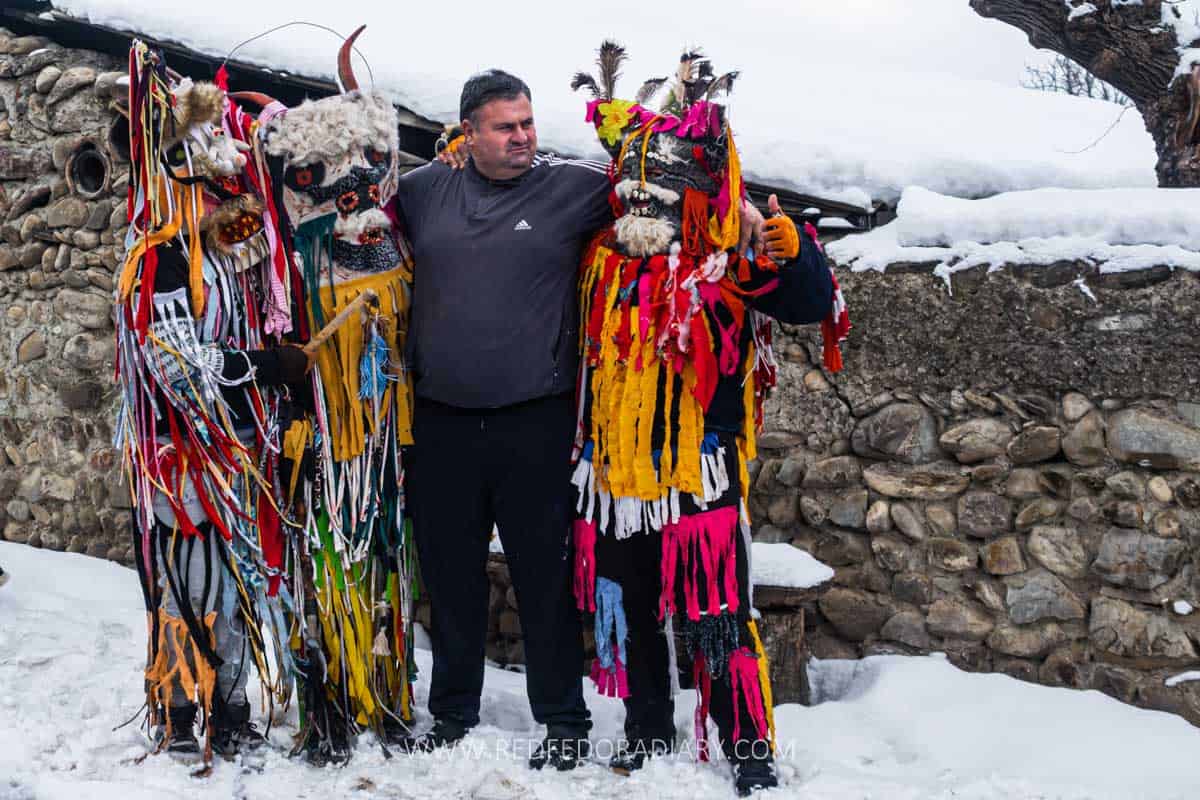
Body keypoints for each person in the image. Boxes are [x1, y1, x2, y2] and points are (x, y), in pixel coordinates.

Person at [566, 43, 848, 797]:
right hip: (612, 472)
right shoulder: (599, 260)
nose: (638, 205)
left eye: (656, 196)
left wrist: (796, 254)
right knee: (625, 599)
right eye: (629, 192)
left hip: (699, 467)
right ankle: (648, 725)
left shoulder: (726, 258)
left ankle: (749, 748)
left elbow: (808, 304)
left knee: (717, 615)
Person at [391, 69, 612, 770]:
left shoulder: (574, 188)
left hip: (532, 421)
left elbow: (658, 195)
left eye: (527, 123)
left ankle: (565, 721)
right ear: (465, 134)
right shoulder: (424, 191)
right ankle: (452, 714)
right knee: (450, 576)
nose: (523, 137)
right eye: (505, 126)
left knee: (542, 576)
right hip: (441, 421)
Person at [115, 42, 305, 765]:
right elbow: (174, 362)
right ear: (178, 185)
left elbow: (261, 316)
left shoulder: (224, 257)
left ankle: (226, 704)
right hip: (177, 456)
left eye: (227, 188)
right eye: (211, 189)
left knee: (231, 584)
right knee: (187, 584)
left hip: (231, 452)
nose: (224, 200)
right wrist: (261, 366)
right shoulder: (156, 259)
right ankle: (178, 706)